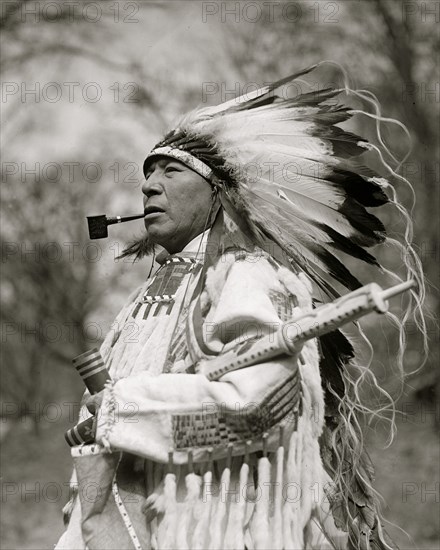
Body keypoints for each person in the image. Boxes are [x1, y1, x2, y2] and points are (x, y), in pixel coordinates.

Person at [56, 64, 425, 550]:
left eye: (170, 170)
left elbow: (261, 408)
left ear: (217, 191)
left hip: (215, 529)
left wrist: (124, 412)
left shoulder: (244, 276)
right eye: (146, 172)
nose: (148, 184)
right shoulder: (140, 302)